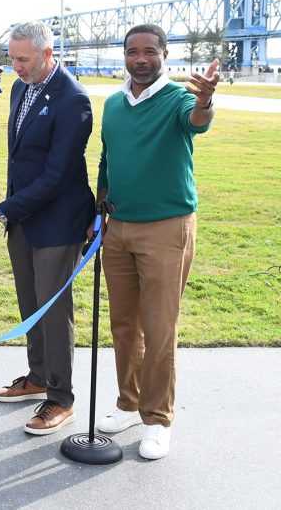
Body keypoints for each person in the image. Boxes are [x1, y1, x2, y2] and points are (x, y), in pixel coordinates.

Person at [94, 24, 219, 460]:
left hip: (167, 227)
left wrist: (205, 100)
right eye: (133, 51)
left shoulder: (179, 99)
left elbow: (197, 121)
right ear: (124, 55)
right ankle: (129, 403)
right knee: (124, 324)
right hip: (118, 227)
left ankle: (157, 419)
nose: (141, 59)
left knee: (160, 326)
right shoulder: (113, 104)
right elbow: (108, 159)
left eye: (150, 51)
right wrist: (101, 208)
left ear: (165, 55)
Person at [0, 21, 95, 436]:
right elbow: (21, 160)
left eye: (22, 59)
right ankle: (39, 376)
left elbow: (57, 175)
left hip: (57, 223)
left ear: (47, 54)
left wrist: (3, 210)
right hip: (23, 218)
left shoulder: (73, 100)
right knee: (31, 305)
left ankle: (61, 399)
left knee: (53, 310)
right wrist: (7, 207)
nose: (15, 66)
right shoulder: (19, 88)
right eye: (11, 57)